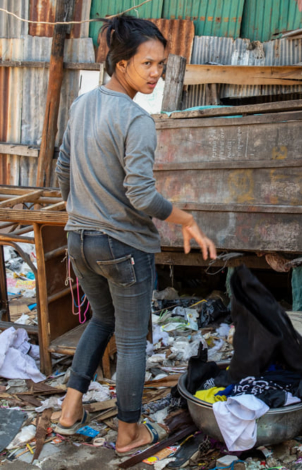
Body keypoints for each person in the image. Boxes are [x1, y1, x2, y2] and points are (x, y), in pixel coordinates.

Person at [54, 15, 217, 455]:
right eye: (147, 64)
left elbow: (62, 169)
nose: (156, 73)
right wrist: (185, 219)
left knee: (100, 320)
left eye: (161, 65)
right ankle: (128, 433)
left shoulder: (81, 105)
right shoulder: (136, 121)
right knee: (129, 340)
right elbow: (141, 195)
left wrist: (81, 210)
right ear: (120, 64)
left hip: (80, 241)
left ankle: (69, 413)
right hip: (123, 248)